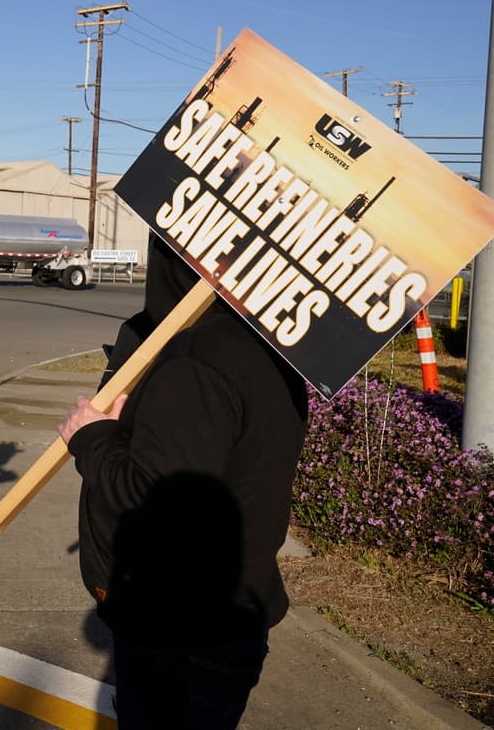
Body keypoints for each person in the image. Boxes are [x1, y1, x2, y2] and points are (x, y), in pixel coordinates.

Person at [58, 235, 307, 729]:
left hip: (180, 634)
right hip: (226, 618)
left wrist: (91, 438)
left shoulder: (196, 361)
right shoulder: (273, 349)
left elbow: (157, 500)